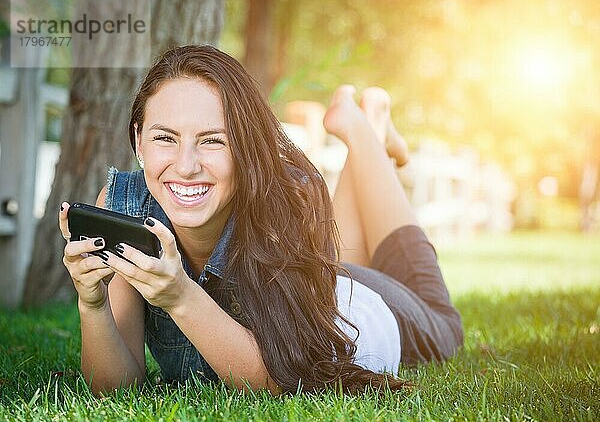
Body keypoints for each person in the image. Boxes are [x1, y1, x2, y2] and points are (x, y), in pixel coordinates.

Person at [59, 45, 463, 395]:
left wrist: (179, 294)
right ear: (138, 142)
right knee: (340, 262)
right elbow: (117, 389)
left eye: (212, 140)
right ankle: (370, 124)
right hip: (320, 284)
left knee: (445, 324)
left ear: (244, 145)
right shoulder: (126, 207)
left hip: (362, 313)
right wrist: (92, 305)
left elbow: (279, 381)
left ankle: (362, 128)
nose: (185, 166)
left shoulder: (290, 197)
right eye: (165, 138)